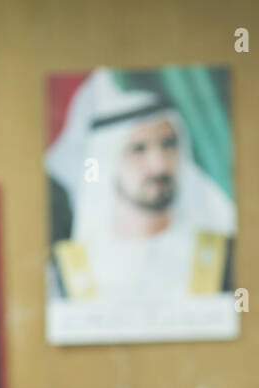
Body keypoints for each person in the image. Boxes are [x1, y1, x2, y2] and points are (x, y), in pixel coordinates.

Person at [46, 68, 235, 301]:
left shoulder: (221, 256)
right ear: (107, 163)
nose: (159, 165)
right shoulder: (72, 270)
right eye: (138, 149)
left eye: (168, 144)